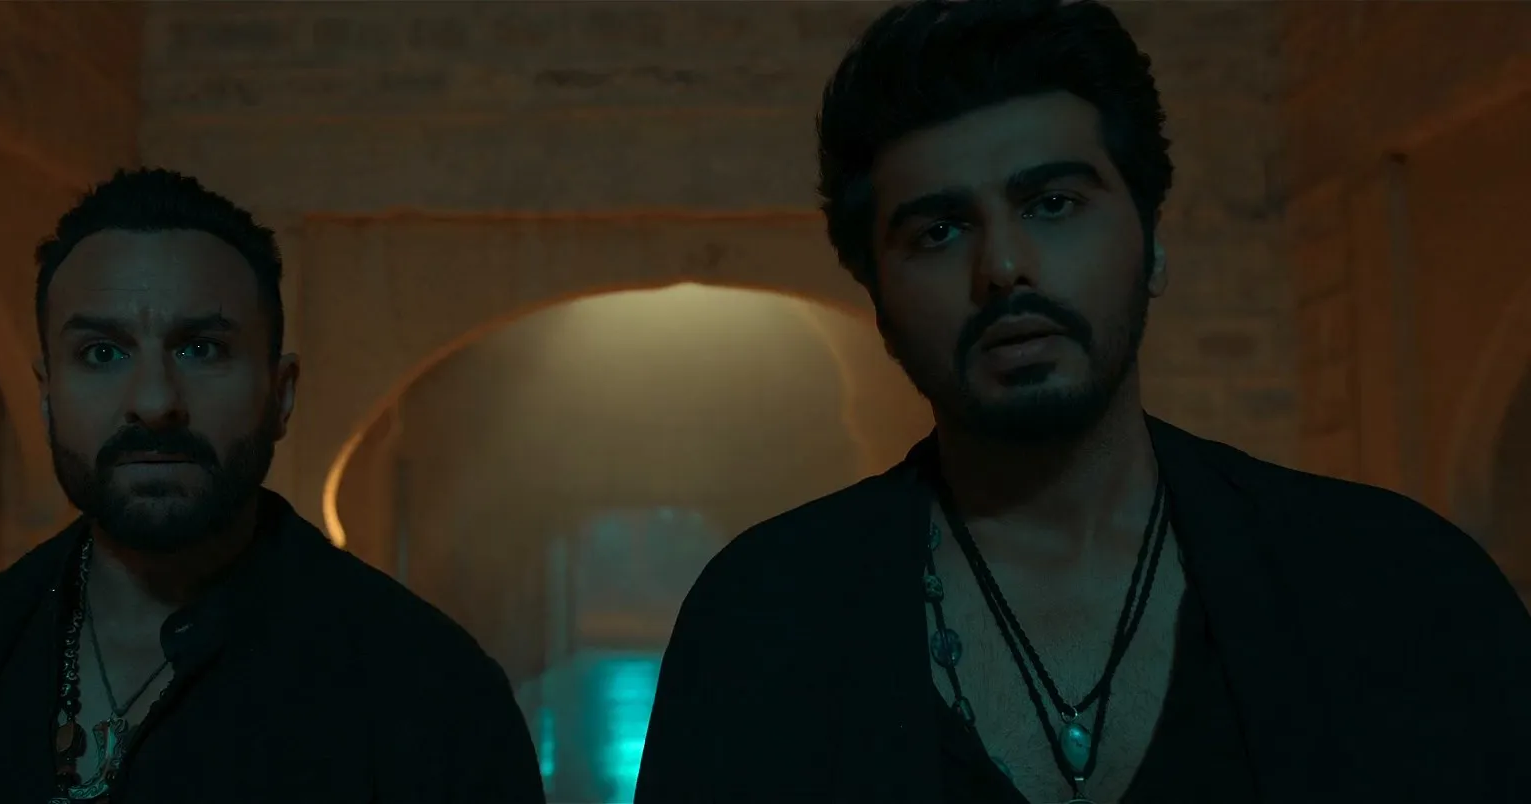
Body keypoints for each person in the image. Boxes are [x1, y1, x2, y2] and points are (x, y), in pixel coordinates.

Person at [633, 1, 1531, 802]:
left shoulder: (1401, 591)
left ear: (1152, 243)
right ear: (880, 301)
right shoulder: (764, 621)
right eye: (939, 231)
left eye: (1053, 203)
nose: (1003, 266)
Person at [0, 169, 545, 804]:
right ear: (47, 397)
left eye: (202, 349)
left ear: (281, 394)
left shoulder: (432, 697)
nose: (155, 401)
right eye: (102, 353)